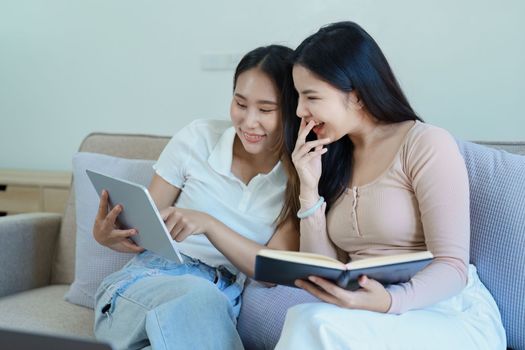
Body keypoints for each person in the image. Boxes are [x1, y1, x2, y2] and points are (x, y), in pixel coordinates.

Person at [275, 21, 506, 349]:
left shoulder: (425, 144)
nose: (300, 111)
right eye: (298, 97)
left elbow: (453, 267)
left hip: (444, 311)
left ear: (355, 96)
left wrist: (389, 301)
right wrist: (308, 187)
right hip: (370, 315)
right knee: (305, 316)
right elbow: (326, 270)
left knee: (315, 323)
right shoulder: (335, 158)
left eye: (311, 96)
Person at [91, 45, 299, 350]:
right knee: (197, 297)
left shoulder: (299, 176)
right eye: (240, 104)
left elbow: (270, 272)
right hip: (147, 283)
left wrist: (209, 225)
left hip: (218, 296)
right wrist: (107, 235)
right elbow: (145, 224)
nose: (248, 121)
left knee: (200, 302)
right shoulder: (198, 138)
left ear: (293, 110)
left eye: (266, 110)